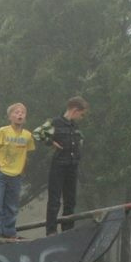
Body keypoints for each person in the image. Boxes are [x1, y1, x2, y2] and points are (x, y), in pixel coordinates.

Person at [0, 103, 38, 238]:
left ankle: (9, 230)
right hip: (1, 173)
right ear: (10, 117)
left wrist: (23, 169)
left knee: (12, 205)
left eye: (22, 113)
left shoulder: (27, 135)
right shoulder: (3, 131)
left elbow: (27, 153)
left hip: (16, 174)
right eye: (16, 112)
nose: (19, 115)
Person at [44, 97, 90, 236]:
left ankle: (68, 229)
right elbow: (38, 133)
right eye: (81, 114)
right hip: (59, 165)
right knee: (54, 199)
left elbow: (80, 138)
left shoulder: (74, 126)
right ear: (75, 110)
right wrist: (51, 142)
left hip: (72, 165)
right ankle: (51, 230)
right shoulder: (54, 122)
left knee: (70, 199)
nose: (81, 117)